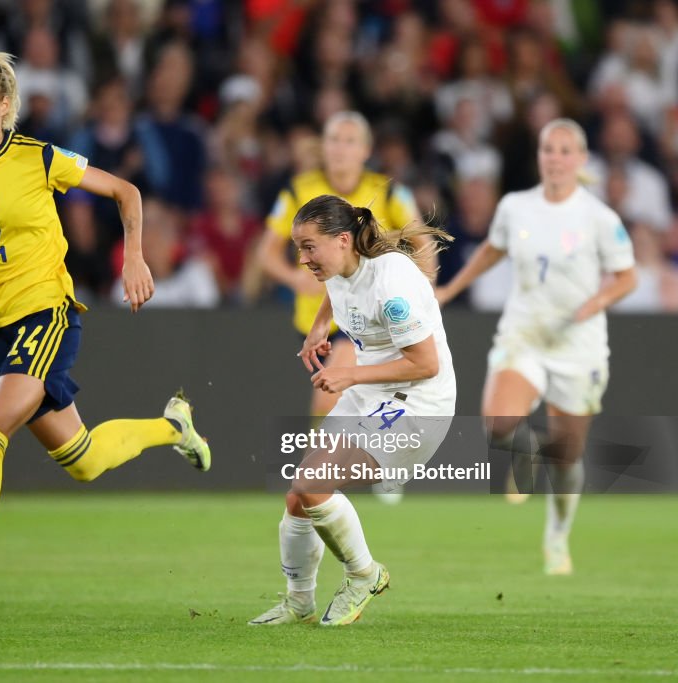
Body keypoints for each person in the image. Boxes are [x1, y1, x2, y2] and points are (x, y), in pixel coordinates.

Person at [0, 53, 210, 606]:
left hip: (47, 314)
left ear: (6, 107)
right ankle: (173, 427)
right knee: (82, 460)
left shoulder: (39, 158)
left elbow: (126, 192)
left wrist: (134, 257)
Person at [436, 119, 637, 575]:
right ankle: (525, 454)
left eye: (567, 150)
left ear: (581, 160)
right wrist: (451, 289)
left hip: (577, 344)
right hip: (524, 334)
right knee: (499, 423)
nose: (556, 158)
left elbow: (628, 277)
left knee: (567, 454)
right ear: (540, 156)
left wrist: (597, 302)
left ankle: (558, 535)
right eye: (549, 149)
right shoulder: (516, 207)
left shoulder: (599, 218)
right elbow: (492, 249)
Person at [249, 194, 454, 627]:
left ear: (343, 239)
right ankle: (299, 602)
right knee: (298, 497)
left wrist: (350, 376)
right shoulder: (343, 263)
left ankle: (364, 575)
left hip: (418, 402)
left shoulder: (392, 283)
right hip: (375, 393)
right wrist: (320, 324)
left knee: (313, 483)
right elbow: (337, 286)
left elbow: (426, 363)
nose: (301, 258)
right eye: (297, 248)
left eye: (308, 247)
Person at [258, 111, 428, 504]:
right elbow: (266, 252)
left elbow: (424, 241)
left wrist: (423, 289)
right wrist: (292, 276)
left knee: (332, 389)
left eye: (350, 141)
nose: (341, 149)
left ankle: (321, 479)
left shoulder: (386, 192)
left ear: (366, 150)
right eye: (334, 140)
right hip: (316, 317)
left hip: (371, 315)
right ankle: (371, 463)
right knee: (352, 395)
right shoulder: (298, 190)